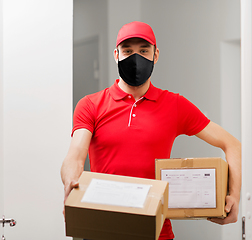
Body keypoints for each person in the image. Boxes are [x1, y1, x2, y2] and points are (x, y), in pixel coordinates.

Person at [61, 21, 241, 240]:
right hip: (102, 230)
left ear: (156, 55)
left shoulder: (175, 105)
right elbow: (75, 156)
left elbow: (232, 144)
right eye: (127, 51)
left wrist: (234, 196)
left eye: (143, 51)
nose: (135, 58)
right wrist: (70, 184)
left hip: (157, 233)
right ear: (116, 55)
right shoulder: (90, 104)